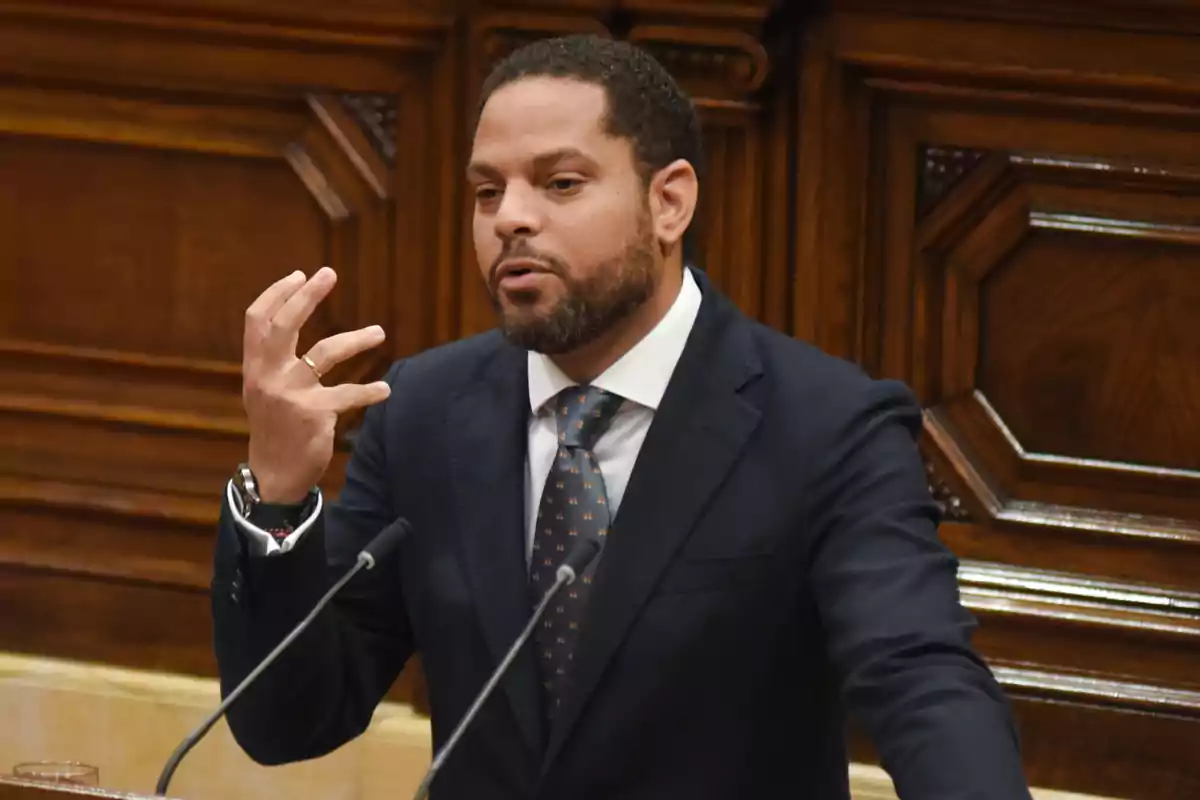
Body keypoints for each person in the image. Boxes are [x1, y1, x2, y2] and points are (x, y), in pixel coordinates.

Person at [212, 34, 1032, 799]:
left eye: (560, 183)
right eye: (487, 191)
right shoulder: (424, 412)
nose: (510, 219)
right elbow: (290, 721)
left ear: (668, 203)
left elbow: (919, 678)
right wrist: (280, 495)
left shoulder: (827, 427)